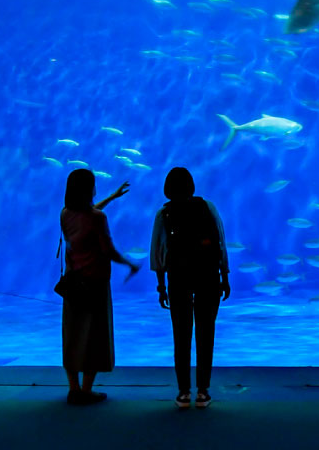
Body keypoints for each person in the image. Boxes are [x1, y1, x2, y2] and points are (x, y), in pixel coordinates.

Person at [150, 167, 230, 409]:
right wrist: (224, 276)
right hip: (208, 276)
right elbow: (220, 241)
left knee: (181, 336)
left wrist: (161, 286)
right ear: (192, 186)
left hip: (178, 278)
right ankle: (203, 392)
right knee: (206, 333)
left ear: (168, 189)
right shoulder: (208, 207)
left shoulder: (164, 213)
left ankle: (184, 392)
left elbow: (158, 252)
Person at [60, 169, 140, 405]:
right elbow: (108, 250)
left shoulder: (65, 214)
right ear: (89, 189)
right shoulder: (97, 219)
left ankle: (73, 388)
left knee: (73, 335)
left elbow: (87, 215)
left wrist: (112, 198)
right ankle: (86, 390)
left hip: (72, 283)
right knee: (93, 336)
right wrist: (130, 264)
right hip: (94, 283)